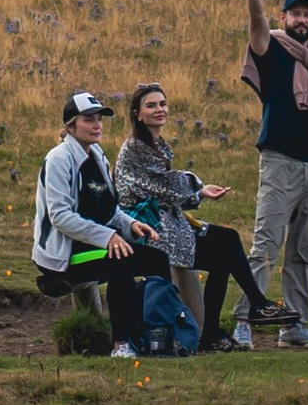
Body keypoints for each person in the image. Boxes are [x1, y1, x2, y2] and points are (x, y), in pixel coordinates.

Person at [117, 83, 268, 349]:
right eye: (151, 105)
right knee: (226, 244)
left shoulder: (157, 145)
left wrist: (199, 193)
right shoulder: (135, 147)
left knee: (226, 246)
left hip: (169, 223)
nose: (159, 109)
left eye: (162, 104)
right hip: (148, 228)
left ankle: (217, 328)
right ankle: (252, 306)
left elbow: (167, 191)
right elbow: (160, 186)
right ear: (138, 114)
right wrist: (197, 186)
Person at [240, 0, 308, 348]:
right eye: (295, 13)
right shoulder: (272, 49)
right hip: (279, 160)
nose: (301, 19)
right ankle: (244, 319)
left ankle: (293, 326)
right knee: (266, 244)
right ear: (284, 18)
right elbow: (256, 22)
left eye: (307, 14)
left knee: (303, 251)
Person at [31, 89, 150, 350]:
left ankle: (157, 334)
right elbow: (61, 217)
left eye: (99, 119)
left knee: (158, 259)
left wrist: (129, 224)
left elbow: (109, 209)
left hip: (91, 245)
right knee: (123, 261)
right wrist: (107, 237)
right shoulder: (59, 159)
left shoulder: (97, 155)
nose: (97, 125)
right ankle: (121, 343)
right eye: (88, 119)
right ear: (71, 126)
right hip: (62, 254)